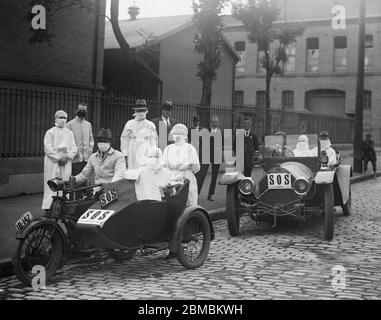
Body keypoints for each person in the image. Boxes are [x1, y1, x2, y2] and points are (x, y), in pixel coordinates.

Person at [42, 110, 77, 210]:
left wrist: (67, 157)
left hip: (66, 161)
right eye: (60, 117)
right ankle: (48, 207)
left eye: (64, 118)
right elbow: (48, 149)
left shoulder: (69, 133)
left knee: (65, 182)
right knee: (51, 182)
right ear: (55, 118)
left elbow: (74, 148)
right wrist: (58, 158)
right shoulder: (50, 132)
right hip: (53, 162)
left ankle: (63, 207)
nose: (62, 120)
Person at [163, 124, 200, 206]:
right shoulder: (168, 149)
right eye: (175, 134)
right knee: (172, 199)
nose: (177, 136)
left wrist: (187, 166)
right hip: (171, 177)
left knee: (188, 198)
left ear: (184, 135)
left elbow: (196, 167)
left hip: (186, 176)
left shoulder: (190, 148)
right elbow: (163, 166)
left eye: (180, 134)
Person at [120, 99, 158, 169]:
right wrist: (125, 154)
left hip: (146, 148)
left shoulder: (150, 125)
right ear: (135, 111)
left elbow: (154, 141)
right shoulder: (129, 123)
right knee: (132, 169)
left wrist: (153, 155)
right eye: (139, 111)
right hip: (132, 148)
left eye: (143, 110)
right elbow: (124, 139)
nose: (141, 113)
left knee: (145, 169)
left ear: (146, 111)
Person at [66, 102, 94, 176]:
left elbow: (91, 139)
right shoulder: (69, 124)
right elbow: (67, 141)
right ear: (76, 111)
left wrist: (89, 152)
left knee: (84, 180)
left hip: (86, 159)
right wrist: (73, 153)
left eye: (84, 110)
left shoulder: (88, 125)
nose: (82, 112)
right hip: (75, 159)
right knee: (74, 180)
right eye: (80, 110)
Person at [189, 115, 209, 194]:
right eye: (195, 121)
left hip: (201, 155)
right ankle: (193, 191)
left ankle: (198, 192)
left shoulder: (203, 130)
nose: (196, 123)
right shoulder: (189, 130)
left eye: (197, 121)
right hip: (192, 155)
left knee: (200, 176)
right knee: (194, 175)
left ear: (199, 122)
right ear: (193, 122)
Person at [207, 115, 223, 201]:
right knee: (201, 174)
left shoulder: (220, 132)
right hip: (206, 155)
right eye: (213, 122)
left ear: (218, 123)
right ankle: (196, 192)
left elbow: (222, 145)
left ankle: (211, 194)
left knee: (214, 176)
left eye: (216, 122)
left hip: (216, 156)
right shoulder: (206, 131)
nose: (215, 123)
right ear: (210, 122)